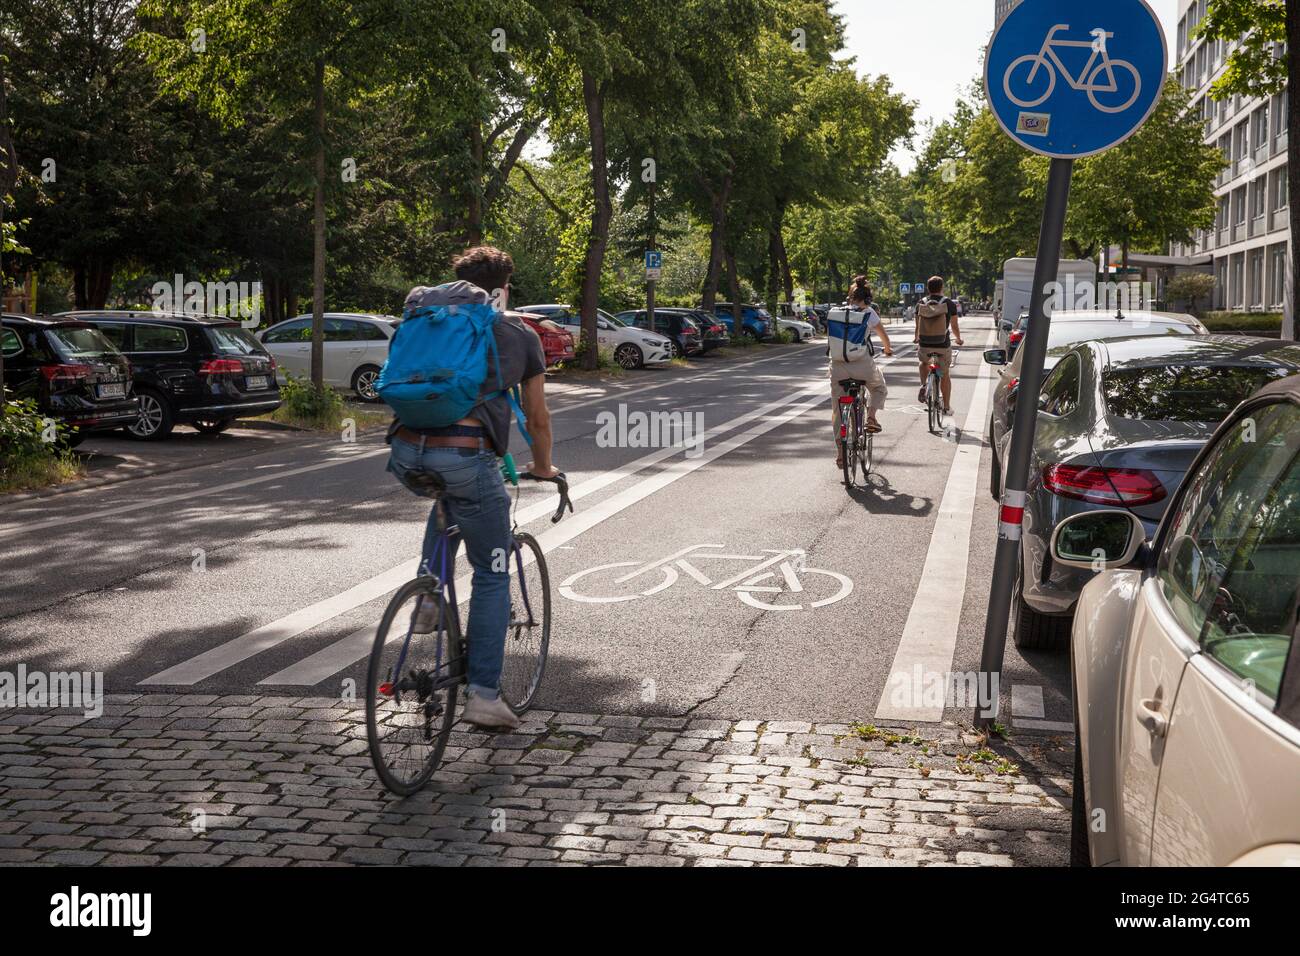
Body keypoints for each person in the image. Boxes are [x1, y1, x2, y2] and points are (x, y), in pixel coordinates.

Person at [386, 246, 559, 731]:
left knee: (448, 500)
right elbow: (538, 416)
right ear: (504, 287)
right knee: (491, 570)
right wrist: (544, 468)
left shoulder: (426, 320)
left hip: (405, 452)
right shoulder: (516, 333)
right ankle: (483, 695)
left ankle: (427, 596)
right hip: (466, 455)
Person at [830, 275, 892, 468]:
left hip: (838, 366)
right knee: (879, 388)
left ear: (850, 297)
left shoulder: (836, 312)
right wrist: (888, 349)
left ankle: (840, 454)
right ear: (868, 298)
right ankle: (871, 417)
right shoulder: (869, 313)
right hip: (862, 365)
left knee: (837, 410)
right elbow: (883, 336)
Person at [914, 275, 963, 416]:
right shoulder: (948, 303)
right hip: (942, 344)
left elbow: (918, 326)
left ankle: (924, 385)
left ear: (928, 288)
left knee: (923, 363)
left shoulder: (921, 303)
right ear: (942, 287)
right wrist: (958, 339)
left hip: (925, 343)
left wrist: (916, 338)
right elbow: (954, 325)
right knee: (945, 374)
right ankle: (946, 407)